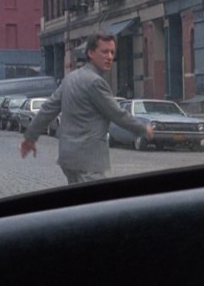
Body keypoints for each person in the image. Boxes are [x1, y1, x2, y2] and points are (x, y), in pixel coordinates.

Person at [19, 32, 153, 185]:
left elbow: (48, 109)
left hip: (68, 159)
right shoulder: (95, 82)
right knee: (97, 207)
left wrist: (30, 137)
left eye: (112, 52)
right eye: (104, 52)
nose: (109, 57)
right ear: (90, 52)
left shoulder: (70, 78)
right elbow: (117, 114)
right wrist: (143, 129)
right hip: (90, 162)